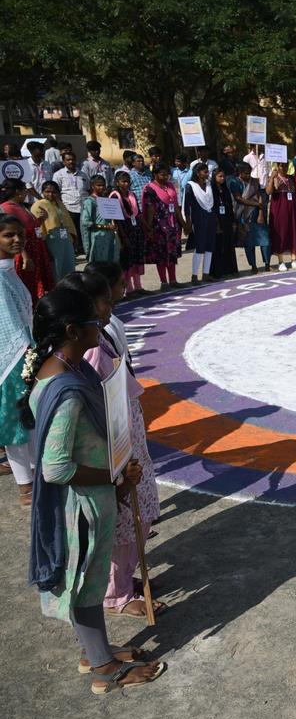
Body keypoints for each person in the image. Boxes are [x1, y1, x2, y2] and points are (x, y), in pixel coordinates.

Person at [20, 286, 166, 693]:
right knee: (85, 581)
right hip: (83, 504)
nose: (99, 324)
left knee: (91, 577)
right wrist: (112, 477)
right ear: (71, 330)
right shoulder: (65, 391)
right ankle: (104, 671)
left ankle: (95, 650)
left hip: (94, 495)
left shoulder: (62, 367)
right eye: (91, 321)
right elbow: (56, 465)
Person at [61, 265, 164, 619]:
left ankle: (123, 579)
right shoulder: (88, 351)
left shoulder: (100, 336)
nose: (110, 306)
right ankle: (116, 593)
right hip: (116, 448)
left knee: (139, 513)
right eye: (103, 301)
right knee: (125, 520)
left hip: (128, 438)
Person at [0, 212, 33, 505]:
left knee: (30, 418)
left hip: (25, 352)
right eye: (8, 235)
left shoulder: (9, 270)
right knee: (15, 422)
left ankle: (36, 477)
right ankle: (25, 486)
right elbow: (6, 324)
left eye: (19, 235)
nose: (16, 239)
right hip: (10, 359)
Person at [1, 179, 54, 301]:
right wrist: (25, 256)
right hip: (24, 250)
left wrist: (41, 219)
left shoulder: (21, 206)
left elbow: (31, 227)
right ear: (18, 192)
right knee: (27, 283)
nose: (26, 193)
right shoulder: (6, 208)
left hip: (35, 249)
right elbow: (15, 234)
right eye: (25, 190)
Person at [141, 166, 184, 289]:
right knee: (161, 254)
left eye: (167, 175)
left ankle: (173, 280)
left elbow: (175, 205)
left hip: (172, 224)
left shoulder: (170, 186)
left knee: (172, 252)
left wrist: (182, 222)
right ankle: (164, 282)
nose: (165, 177)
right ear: (155, 174)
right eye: (162, 174)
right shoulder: (149, 189)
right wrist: (149, 228)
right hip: (158, 225)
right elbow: (150, 208)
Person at [31, 181, 78, 282]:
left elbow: (68, 221)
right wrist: (43, 247)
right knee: (56, 267)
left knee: (68, 264)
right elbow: (37, 228)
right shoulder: (38, 205)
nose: (50, 194)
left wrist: (73, 238)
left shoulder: (59, 203)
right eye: (47, 191)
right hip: (51, 240)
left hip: (65, 239)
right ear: (42, 192)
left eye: (54, 192)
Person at [109, 172, 146, 295]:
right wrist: (123, 235)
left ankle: (138, 286)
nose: (125, 184)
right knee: (127, 260)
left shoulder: (132, 194)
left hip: (135, 228)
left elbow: (138, 212)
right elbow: (116, 218)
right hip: (123, 229)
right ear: (117, 182)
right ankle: (128, 289)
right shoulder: (115, 196)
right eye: (123, 181)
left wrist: (146, 228)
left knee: (136, 257)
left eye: (127, 181)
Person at [233, 162, 269, 274]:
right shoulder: (234, 182)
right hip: (243, 215)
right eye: (245, 173)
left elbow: (259, 197)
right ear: (240, 173)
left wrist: (260, 212)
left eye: (249, 173)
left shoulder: (254, 181)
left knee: (265, 240)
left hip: (256, 214)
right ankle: (253, 266)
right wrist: (255, 204)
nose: (248, 175)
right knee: (249, 243)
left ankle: (267, 264)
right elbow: (238, 198)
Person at [184, 164, 216, 284]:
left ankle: (206, 274)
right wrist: (188, 221)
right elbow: (187, 206)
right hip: (198, 219)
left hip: (210, 217)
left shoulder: (208, 185)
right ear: (197, 173)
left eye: (207, 171)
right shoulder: (190, 186)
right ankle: (194, 275)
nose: (207, 174)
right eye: (204, 172)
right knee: (200, 246)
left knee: (210, 246)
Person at [267, 163, 296, 271]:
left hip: (293, 210)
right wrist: (272, 178)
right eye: (281, 166)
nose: (284, 168)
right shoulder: (274, 177)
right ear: (277, 167)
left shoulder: (291, 178)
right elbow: (268, 191)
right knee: (281, 233)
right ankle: (281, 261)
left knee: (294, 232)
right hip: (279, 209)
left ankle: (294, 260)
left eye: (286, 166)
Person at [52, 150, 88, 251]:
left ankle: (83, 248)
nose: (71, 162)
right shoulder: (58, 175)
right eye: (68, 160)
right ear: (64, 162)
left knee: (83, 229)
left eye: (73, 159)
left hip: (83, 207)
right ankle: (73, 249)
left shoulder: (82, 174)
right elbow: (56, 191)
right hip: (68, 207)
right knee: (72, 230)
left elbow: (88, 189)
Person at [81, 176, 119, 266]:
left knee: (110, 263)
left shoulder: (106, 201)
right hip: (98, 236)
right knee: (98, 264)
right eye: (98, 185)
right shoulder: (89, 202)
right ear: (92, 186)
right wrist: (105, 226)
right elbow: (86, 222)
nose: (101, 187)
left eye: (103, 185)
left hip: (110, 236)